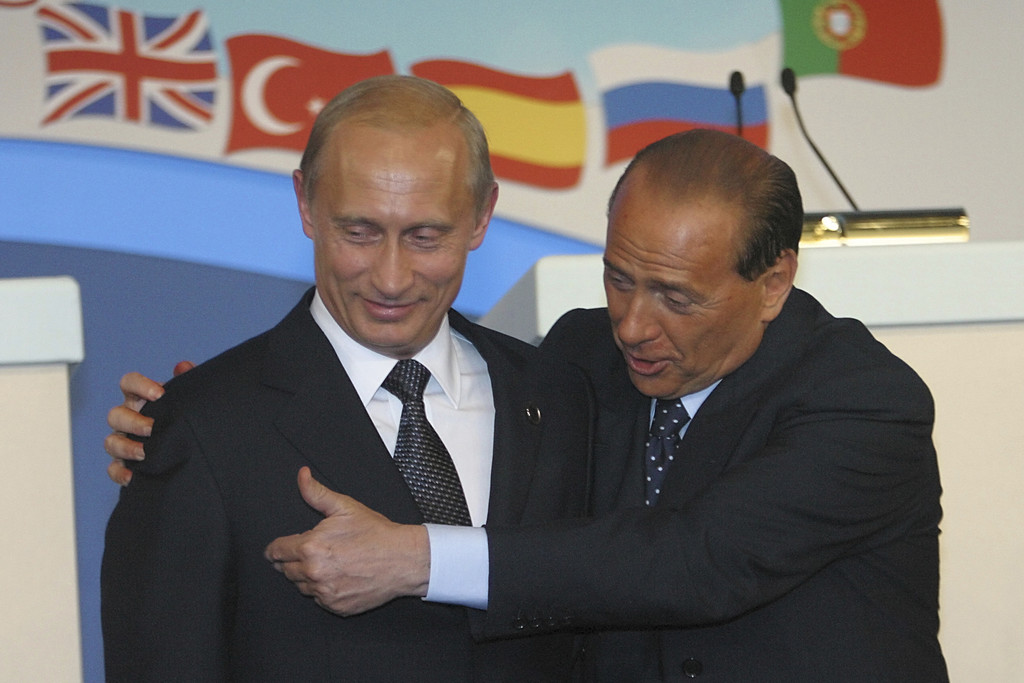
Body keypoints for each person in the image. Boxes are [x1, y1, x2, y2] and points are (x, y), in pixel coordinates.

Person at [108, 130, 949, 681]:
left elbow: (693, 560)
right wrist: (211, 423)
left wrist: (417, 557)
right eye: (618, 278)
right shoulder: (582, 358)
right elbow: (412, 397)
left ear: (772, 283)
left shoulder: (866, 404)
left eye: (675, 297)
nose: (633, 324)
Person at [100, 75, 593, 681]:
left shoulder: (562, 399)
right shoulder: (203, 427)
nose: (390, 278)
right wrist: (187, 422)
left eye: (426, 236)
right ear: (306, 204)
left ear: (482, 215)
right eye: (359, 233)